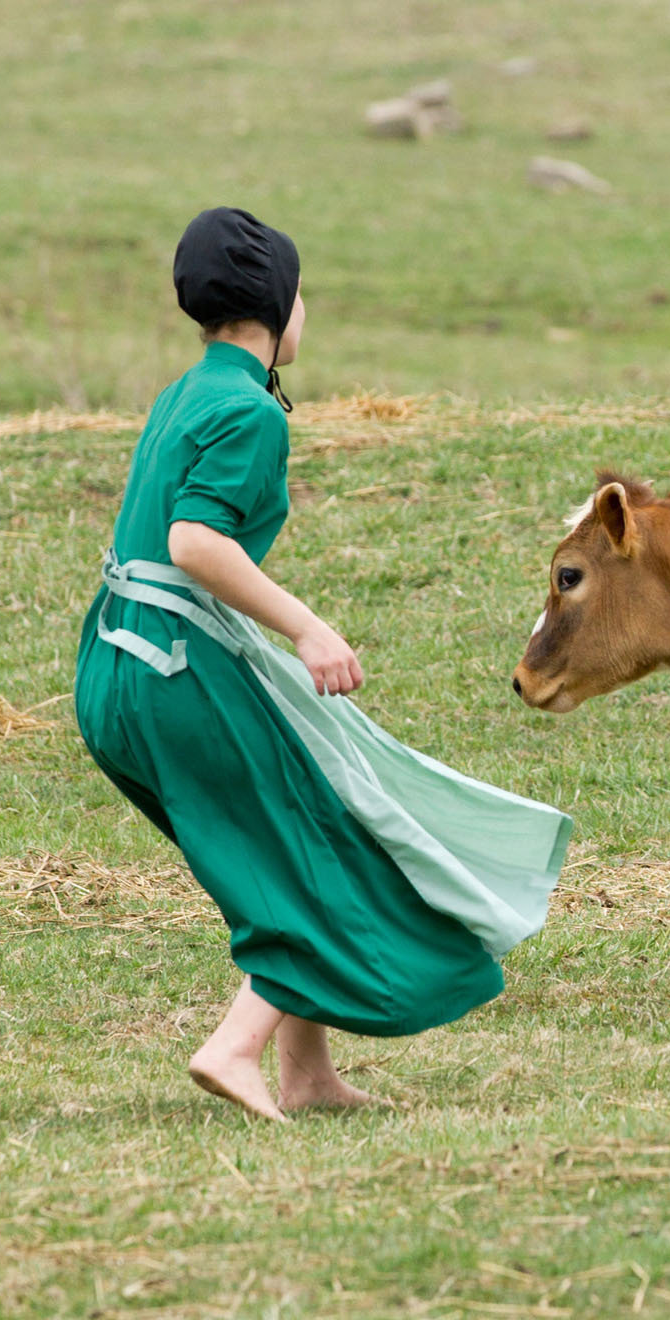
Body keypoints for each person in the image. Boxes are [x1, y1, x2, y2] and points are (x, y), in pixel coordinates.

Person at [73, 207, 572, 1122]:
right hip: (178, 672)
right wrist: (307, 627)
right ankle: (234, 1047)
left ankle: (306, 1073)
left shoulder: (185, 392)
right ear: (276, 304)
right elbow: (193, 541)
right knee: (309, 853)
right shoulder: (248, 410)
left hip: (115, 667)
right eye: (304, 293)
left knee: (281, 847)